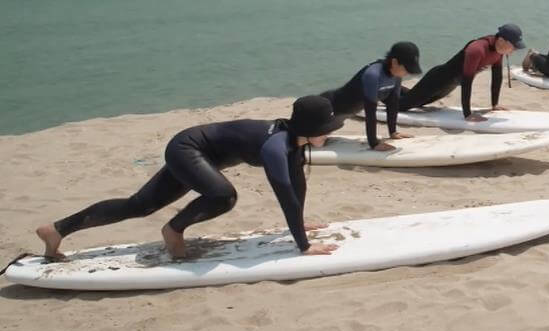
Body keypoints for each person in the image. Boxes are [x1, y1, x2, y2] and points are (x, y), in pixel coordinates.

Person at [35, 95, 346, 259]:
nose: (329, 134)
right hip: (187, 149)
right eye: (326, 130)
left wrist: (300, 221)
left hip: (199, 155)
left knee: (140, 205)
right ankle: (174, 230)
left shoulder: (294, 141)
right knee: (224, 196)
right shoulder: (276, 147)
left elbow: (296, 184)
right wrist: (303, 246)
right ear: (311, 130)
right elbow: (284, 195)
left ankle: (56, 230)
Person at [399, 24, 525, 121]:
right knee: (402, 106)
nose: (514, 50)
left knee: (418, 101)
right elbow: (467, 81)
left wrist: (494, 104)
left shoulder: (499, 51)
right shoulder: (477, 49)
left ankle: (394, 88)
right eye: (513, 46)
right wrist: (467, 114)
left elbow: (497, 76)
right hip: (437, 80)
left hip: (449, 85)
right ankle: (382, 91)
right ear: (502, 41)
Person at [319, 42, 420, 152]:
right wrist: (374, 143)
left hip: (342, 117)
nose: (407, 73)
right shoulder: (373, 75)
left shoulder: (396, 76)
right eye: (406, 69)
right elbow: (370, 112)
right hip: (326, 109)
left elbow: (393, 104)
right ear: (394, 62)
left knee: (326, 135)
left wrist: (393, 132)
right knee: (315, 143)